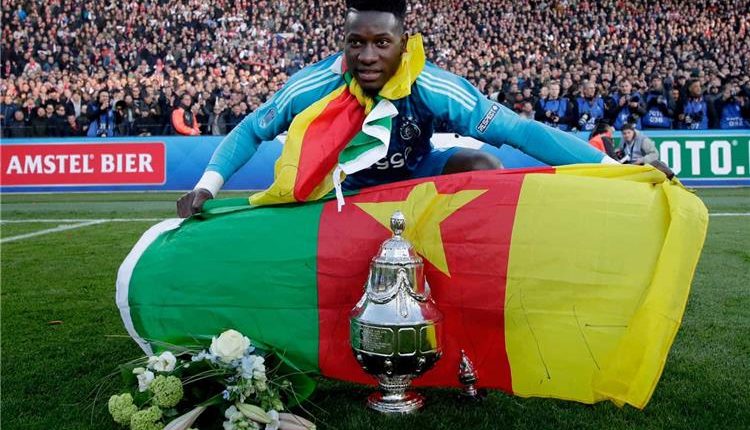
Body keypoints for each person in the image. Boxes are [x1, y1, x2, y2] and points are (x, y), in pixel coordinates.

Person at [177, 0, 614, 217]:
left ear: (404, 45)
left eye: (381, 43)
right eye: (356, 43)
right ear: (343, 43)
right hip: (339, 190)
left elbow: (519, 130)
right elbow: (252, 129)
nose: (367, 56)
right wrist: (206, 188)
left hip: (413, 175)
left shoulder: (432, 86)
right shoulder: (315, 84)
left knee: (483, 165)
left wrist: (611, 168)